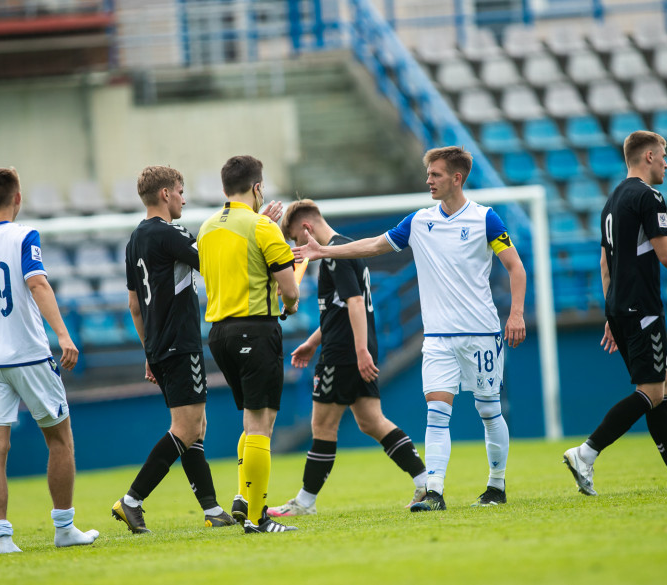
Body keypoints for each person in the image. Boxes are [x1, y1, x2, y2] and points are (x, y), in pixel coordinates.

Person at [294, 146, 527, 512]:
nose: (428, 180)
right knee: (436, 414)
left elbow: (515, 267)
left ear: (457, 178)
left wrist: (516, 314)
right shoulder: (419, 221)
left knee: (488, 411)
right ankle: (434, 491)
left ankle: (496, 485)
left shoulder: (486, 219)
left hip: (481, 333)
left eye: (435, 174)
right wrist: (326, 252)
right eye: (428, 173)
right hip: (437, 339)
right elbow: (374, 245)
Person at [562, 131, 667, 496]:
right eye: (664, 156)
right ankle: (586, 452)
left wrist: (611, 312)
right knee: (652, 390)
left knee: (661, 383)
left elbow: (605, 263)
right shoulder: (648, 196)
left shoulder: (611, 201)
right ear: (649, 156)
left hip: (621, 307)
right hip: (642, 307)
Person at [0, 167, 98, 553]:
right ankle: (64, 528)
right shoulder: (24, 235)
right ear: (18, 198)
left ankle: (2, 537)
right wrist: (63, 334)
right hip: (29, 355)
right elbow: (37, 282)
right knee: (59, 439)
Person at [267, 199, 428, 517]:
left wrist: (359, 351)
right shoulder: (346, 249)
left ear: (307, 228)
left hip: (343, 353)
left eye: (297, 240)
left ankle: (305, 502)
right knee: (371, 421)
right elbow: (339, 310)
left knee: (322, 425)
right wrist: (313, 342)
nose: (298, 249)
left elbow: (355, 303)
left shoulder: (332, 256)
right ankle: (426, 482)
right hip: (353, 347)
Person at [111, 166, 235, 533]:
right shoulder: (172, 233)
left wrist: (149, 352)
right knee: (186, 427)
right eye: (180, 191)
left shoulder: (134, 241)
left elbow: (134, 306)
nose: (184, 198)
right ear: (165, 194)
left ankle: (212, 509)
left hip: (159, 346)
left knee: (195, 427)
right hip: (181, 342)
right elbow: (213, 263)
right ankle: (132, 500)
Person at [197, 155, 300, 534]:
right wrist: (290, 305)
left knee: (255, 420)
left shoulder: (206, 228)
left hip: (219, 334)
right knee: (260, 424)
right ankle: (257, 519)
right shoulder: (262, 227)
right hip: (255, 329)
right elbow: (290, 291)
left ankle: (244, 497)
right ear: (257, 187)